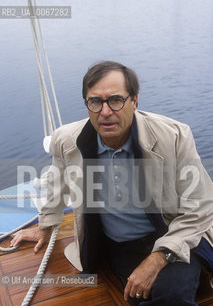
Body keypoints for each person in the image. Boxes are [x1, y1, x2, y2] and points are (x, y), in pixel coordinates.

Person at [11, 61, 213, 306]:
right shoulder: (67, 141)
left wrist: (158, 258)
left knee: (172, 296)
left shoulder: (174, 137)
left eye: (116, 100)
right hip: (121, 244)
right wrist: (45, 225)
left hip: (171, 233)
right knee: (138, 296)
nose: (105, 112)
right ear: (87, 104)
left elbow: (201, 205)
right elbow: (57, 181)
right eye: (95, 102)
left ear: (134, 101)